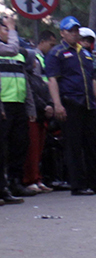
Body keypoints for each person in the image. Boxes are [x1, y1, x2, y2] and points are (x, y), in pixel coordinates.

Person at [45, 16, 96, 196]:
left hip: (88, 104)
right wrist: (57, 104)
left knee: (94, 145)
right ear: (62, 33)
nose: (75, 34)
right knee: (74, 146)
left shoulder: (84, 53)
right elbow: (52, 80)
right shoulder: (57, 53)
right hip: (70, 103)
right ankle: (78, 184)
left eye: (77, 31)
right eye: (71, 31)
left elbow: (92, 78)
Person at [1, 14, 38, 200]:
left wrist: (30, 108)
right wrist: (13, 28)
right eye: (5, 28)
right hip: (3, 105)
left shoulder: (17, 53)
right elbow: (13, 47)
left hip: (19, 104)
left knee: (19, 146)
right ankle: (3, 187)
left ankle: (15, 183)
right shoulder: (6, 48)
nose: (8, 31)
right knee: (3, 148)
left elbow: (26, 82)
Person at [23, 29, 56, 194]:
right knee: (32, 148)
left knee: (40, 148)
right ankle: (30, 178)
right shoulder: (29, 78)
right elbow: (33, 95)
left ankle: (38, 177)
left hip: (43, 113)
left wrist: (50, 104)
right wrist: (44, 106)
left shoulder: (38, 78)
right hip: (34, 113)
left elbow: (46, 90)